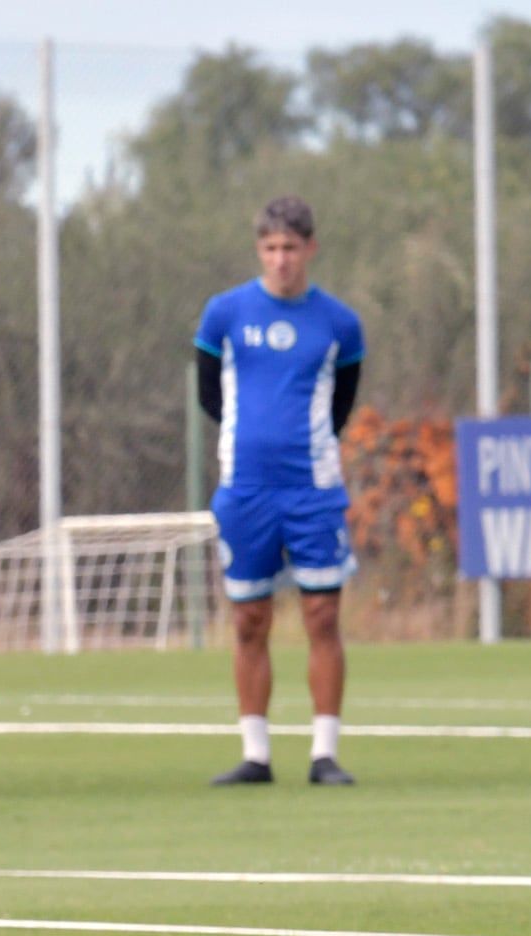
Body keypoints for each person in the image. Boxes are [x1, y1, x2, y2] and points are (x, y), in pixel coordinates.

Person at [194, 195, 364, 787]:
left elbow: (341, 402)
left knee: (322, 615)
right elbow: (210, 397)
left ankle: (324, 754)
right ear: (258, 250)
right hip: (245, 491)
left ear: (310, 249)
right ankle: (256, 754)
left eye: (291, 247)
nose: (281, 259)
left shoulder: (340, 323)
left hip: (313, 490)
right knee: (249, 620)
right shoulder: (225, 314)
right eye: (270, 248)